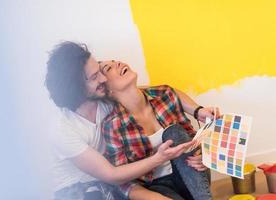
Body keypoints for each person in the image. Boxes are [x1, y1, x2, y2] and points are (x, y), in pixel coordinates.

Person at [45, 41, 219, 200]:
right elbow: (112, 175)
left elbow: (161, 91)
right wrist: (158, 159)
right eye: (95, 76)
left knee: (174, 131)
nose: (102, 78)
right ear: (78, 89)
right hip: (79, 188)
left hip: (126, 177)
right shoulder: (64, 129)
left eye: (101, 71)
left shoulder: (103, 100)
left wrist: (197, 110)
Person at [100, 60, 220, 200]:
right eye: (109, 68)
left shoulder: (164, 95)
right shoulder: (113, 125)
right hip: (154, 187)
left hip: (191, 174)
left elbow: (192, 137)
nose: (118, 63)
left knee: (173, 132)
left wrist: (203, 153)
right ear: (107, 90)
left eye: (115, 61)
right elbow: (122, 181)